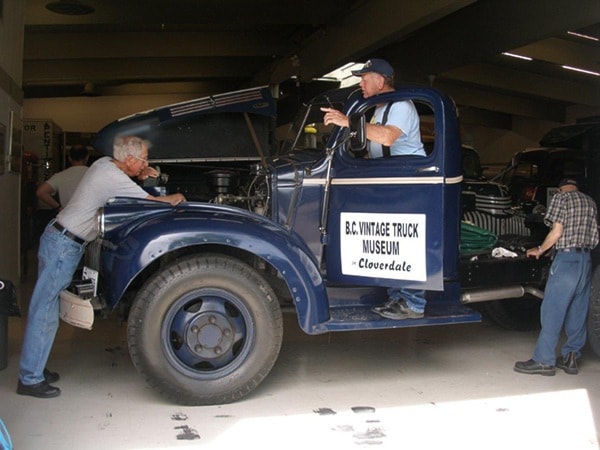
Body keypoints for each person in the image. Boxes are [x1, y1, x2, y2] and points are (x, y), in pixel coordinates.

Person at [17, 135, 186, 398]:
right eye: (143, 160)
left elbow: (122, 181)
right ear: (128, 159)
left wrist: (139, 174)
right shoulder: (112, 176)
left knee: (48, 307)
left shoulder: (104, 164)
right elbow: (149, 203)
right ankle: (29, 379)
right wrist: (176, 198)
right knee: (44, 308)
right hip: (63, 245)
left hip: (60, 239)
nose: (146, 164)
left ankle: (35, 369)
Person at [321, 58, 427, 320]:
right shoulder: (379, 109)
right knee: (389, 242)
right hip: (389, 178)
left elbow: (387, 137)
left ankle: (414, 303)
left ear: (380, 80)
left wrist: (348, 122)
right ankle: (396, 297)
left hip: (407, 180)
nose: (361, 83)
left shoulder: (401, 104)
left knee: (405, 241)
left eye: (365, 78)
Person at [514, 177, 598, 376]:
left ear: (560, 189)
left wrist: (540, 249)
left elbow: (557, 231)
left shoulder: (562, 199)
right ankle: (571, 357)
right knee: (577, 311)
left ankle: (544, 360)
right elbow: (595, 235)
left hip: (566, 260)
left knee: (552, 309)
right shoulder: (590, 201)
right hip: (585, 260)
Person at [36, 144, 90, 212]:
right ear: (87, 157)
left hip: (68, 217)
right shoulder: (95, 174)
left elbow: (40, 192)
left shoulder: (60, 176)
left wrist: (58, 207)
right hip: (89, 217)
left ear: (69, 158)